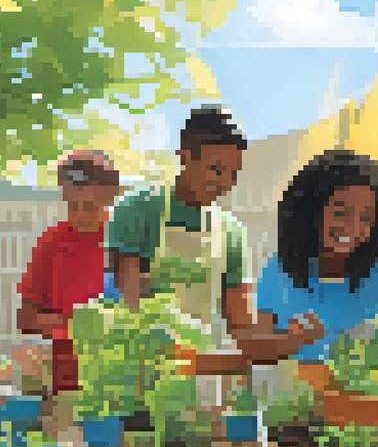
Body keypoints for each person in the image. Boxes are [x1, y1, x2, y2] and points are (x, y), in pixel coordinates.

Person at [106, 105, 312, 404]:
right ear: (185, 156)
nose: (226, 183)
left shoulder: (230, 232)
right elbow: (130, 310)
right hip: (133, 381)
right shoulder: (137, 211)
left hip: (197, 385)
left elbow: (242, 327)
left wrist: (289, 340)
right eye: (217, 169)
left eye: (233, 173)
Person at [254, 149, 378, 363]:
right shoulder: (278, 271)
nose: (353, 227)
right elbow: (258, 354)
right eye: (341, 213)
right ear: (312, 211)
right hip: (294, 394)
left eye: (365, 218)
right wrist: (289, 342)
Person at [18, 151, 125, 437]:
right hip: (65, 377)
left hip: (121, 379)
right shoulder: (51, 242)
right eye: (71, 206)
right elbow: (26, 318)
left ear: (111, 197)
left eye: (89, 206)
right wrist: (79, 326)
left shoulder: (128, 245)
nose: (79, 214)